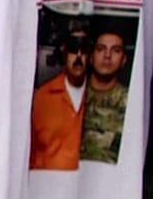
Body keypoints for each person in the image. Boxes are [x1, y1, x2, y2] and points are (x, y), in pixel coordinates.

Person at [29, 22, 89, 170]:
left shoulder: (100, 97)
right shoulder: (41, 98)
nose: (79, 56)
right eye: (73, 48)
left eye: (84, 49)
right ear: (64, 52)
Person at [81, 23, 132, 163]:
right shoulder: (70, 95)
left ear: (123, 60)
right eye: (100, 49)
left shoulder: (131, 102)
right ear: (91, 57)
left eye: (115, 50)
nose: (107, 55)